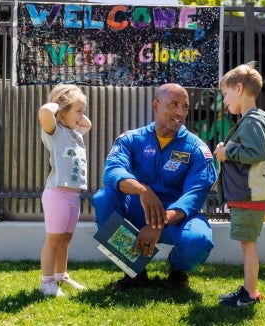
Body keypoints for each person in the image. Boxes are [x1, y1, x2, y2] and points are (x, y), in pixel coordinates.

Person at [91, 83, 217, 291]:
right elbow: (112, 172)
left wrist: (159, 224)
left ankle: (177, 268)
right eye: (174, 104)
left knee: (199, 239)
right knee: (104, 198)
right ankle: (135, 271)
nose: (180, 112)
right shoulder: (131, 139)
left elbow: (194, 195)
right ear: (156, 105)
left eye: (185, 106)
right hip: (139, 209)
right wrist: (143, 190)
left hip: (176, 216)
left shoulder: (197, 149)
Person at [213, 62, 265, 307]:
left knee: (248, 246)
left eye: (225, 94)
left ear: (239, 88)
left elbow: (256, 153)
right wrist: (227, 150)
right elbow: (251, 150)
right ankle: (249, 291)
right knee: (247, 244)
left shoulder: (250, 122)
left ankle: (250, 294)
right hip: (250, 194)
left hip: (249, 194)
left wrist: (227, 154)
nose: (225, 101)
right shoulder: (252, 120)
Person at [38, 84, 92, 297]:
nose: (82, 116)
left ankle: (61, 275)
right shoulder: (54, 131)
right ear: (62, 111)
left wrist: (78, 113)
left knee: (65, 239)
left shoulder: (74, 133)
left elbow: (88, 124)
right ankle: (47, 282)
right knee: (54, 240)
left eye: (83, 110)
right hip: (57, 194)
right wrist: (59, 103)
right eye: (78, 111)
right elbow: (44, 111)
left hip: (73, 195)